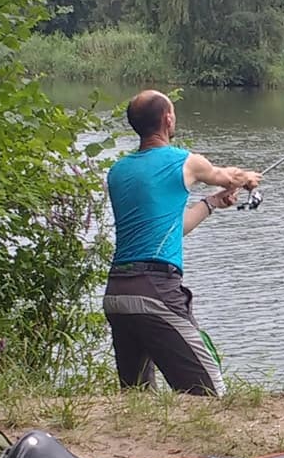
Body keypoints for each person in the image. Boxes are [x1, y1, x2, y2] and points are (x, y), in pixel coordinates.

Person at [102, 90, 260, 397]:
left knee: (136, 400)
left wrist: (213, 203)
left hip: (117, 295)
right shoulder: (184, 161)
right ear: (167, 118)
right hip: (155, 290)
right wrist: (246, 178)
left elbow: (175, 228)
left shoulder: (118, 171)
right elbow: (225, 176)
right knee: (210, 393)